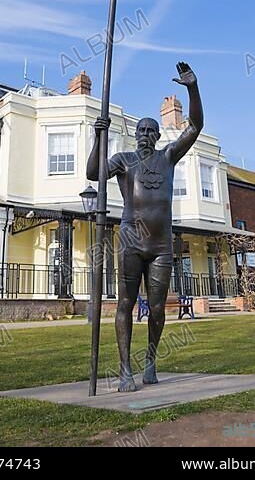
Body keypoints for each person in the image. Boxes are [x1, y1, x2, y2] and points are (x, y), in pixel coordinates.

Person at [87, 62, 203, 391]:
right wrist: (99, 136)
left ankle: (150, 360)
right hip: (131, 242)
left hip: (162, 246)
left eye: (150, 132)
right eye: (140, 131)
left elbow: (194, 126)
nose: (144, 136)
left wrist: (192, 88)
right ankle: (125, 370)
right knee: (125, 303)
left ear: (157, 135)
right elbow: (93, 173)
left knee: (155, 308)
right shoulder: (123, 160)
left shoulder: (168, 157)